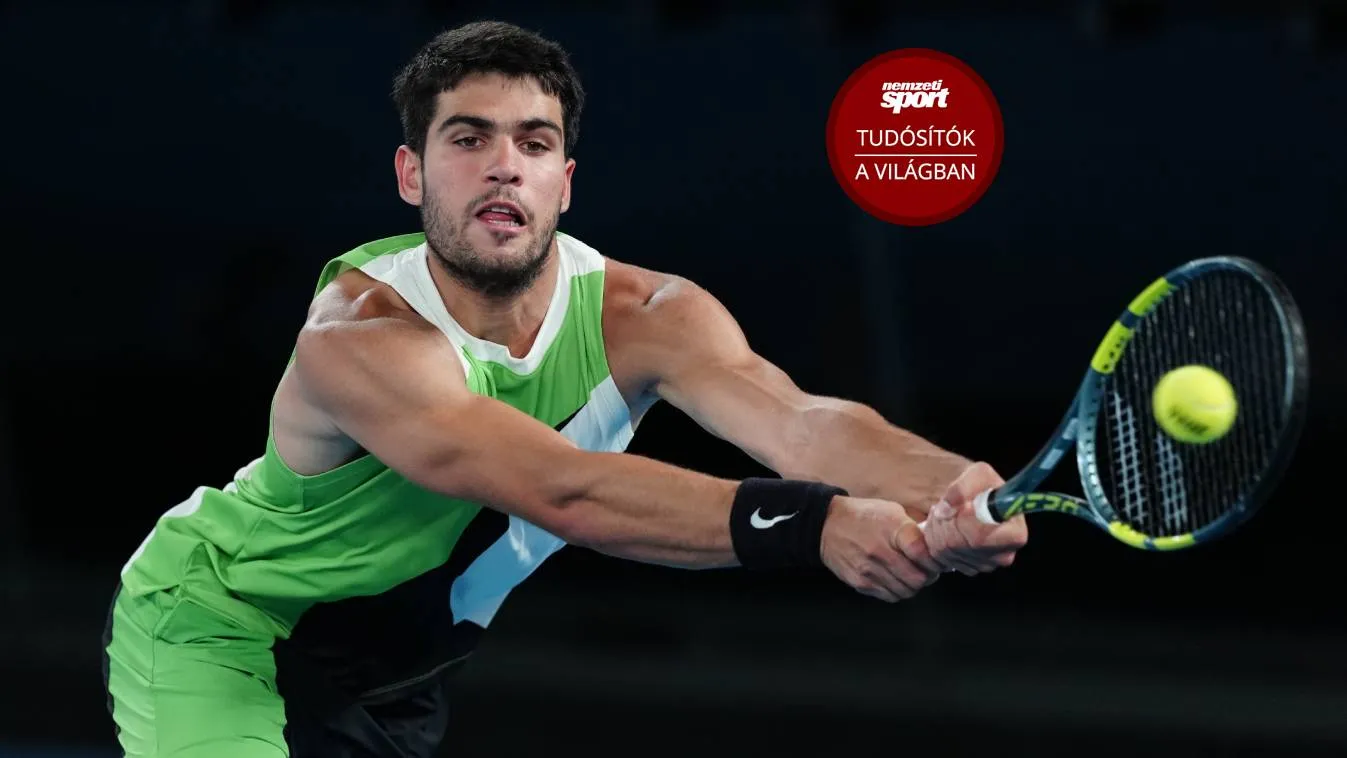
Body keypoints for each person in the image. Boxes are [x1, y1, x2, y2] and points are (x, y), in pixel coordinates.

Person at [101, 19, 1028, 758]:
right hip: (224, 627)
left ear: (564, 183)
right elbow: (562, 491)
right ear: (410, 173)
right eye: (468, 138)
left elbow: (801, 422)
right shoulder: (361, 336)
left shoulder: (649, 315)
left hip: (399, 682)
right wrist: (814, 524)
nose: (504, 164)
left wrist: (951, 488)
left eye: (533, 143)